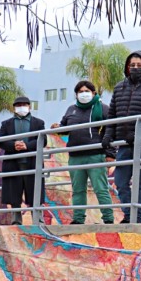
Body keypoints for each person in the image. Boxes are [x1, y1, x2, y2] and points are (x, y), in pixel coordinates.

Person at [101, 51, 141, 224]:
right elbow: (113, 114)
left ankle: (138, 216)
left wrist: (138, 133)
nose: (135, 68)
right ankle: (130, 214)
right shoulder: (120, 87)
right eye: (132, 65)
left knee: (140, 180)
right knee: (120, 181)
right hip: (124, 143)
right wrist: (108, 135)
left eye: (139, 65)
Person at [51, 81, 116, 225]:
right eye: (80, 91)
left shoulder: (104, 109)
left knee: (101, 189)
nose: (84, 93)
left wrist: (110, 154)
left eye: (87, 90)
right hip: (75, 156)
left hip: (95, 155)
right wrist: (57, 127)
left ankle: (108, 218)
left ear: (94, 93)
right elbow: (65, 128)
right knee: (78, 190)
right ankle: (78, 219)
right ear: (76, 94)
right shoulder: (71, 109)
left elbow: (111, 131)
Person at [0, 96, 46, 225]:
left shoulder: (38, 123)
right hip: (13, 163)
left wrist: (27, 146)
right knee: (14, 194)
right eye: (18, 105)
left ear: (29, 106)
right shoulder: (6, 124)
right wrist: (13, 145)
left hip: (32, 163)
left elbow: (43, 140)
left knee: (35, 192)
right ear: (14, 108)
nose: (21, 107)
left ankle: (38, 219)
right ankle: (16, 220)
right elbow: (0, 141)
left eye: (24, 105)